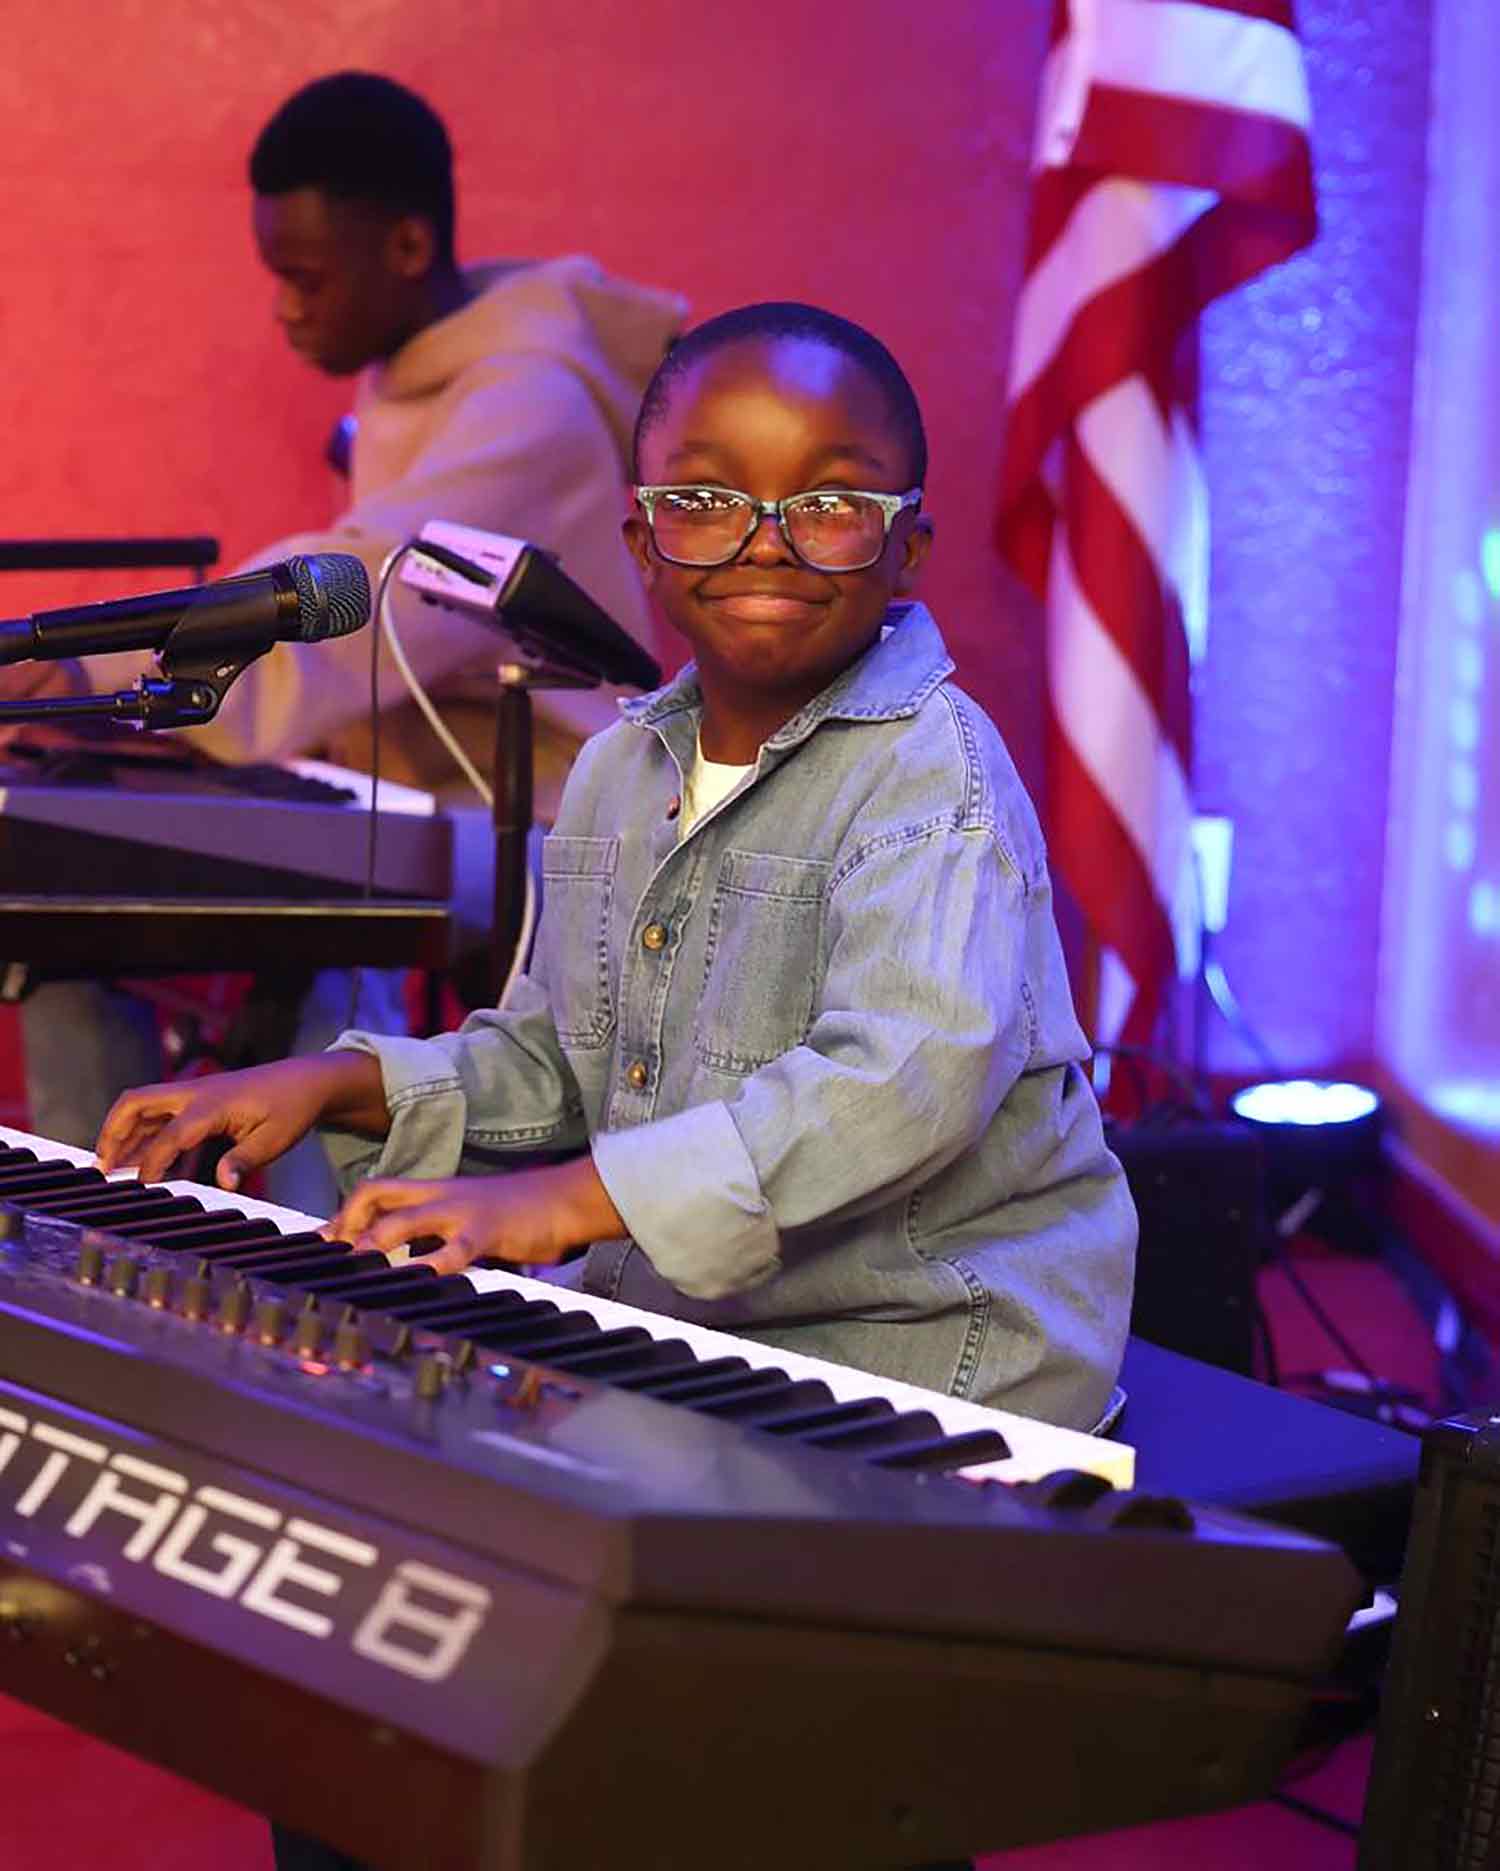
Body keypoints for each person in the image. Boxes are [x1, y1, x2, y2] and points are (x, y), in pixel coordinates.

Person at [97, 300, 1134, 1871]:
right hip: (687, 1317)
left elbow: (900, 1079)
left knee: (667, 1724)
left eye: (831, 501)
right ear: (645, 539)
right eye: (708, 498)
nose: (767, 541)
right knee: (372, 1699)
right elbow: (551, 1056)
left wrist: (566, 1197)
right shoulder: (619, 767)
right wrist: (330, 1077)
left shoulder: (937, 775)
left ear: (909, 543)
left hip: (929, 1356)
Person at [23, 71, 686, 1182]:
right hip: (404, 786)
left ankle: (291, 1257)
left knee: (307, 896)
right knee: (69, 893)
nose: (286, 308)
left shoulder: (531, 403)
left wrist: (95, 658)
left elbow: (361, 595)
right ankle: (97, 1220)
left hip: (552, 821)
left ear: (410, 246)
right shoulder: (433, 370)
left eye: (307, 278)